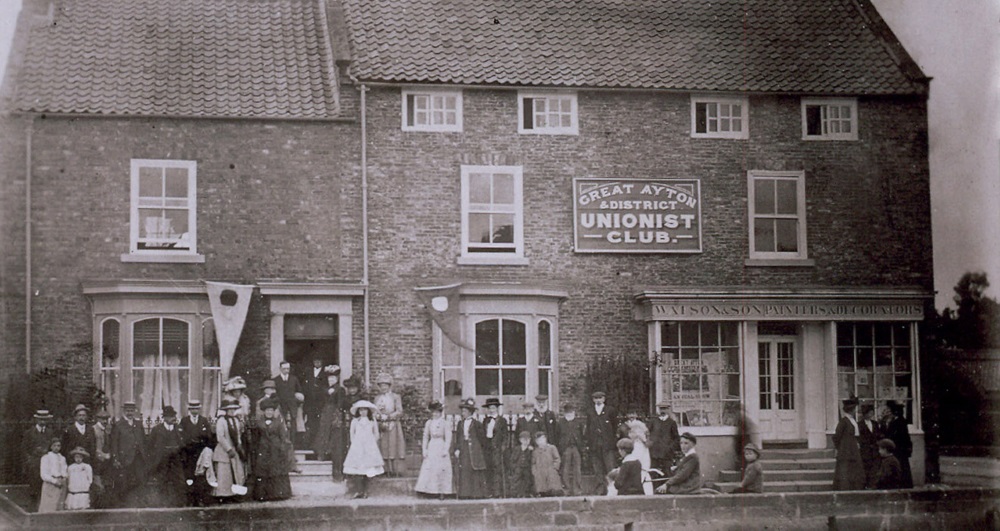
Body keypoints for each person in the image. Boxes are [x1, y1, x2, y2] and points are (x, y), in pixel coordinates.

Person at [251, 398, 293, 501]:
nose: (269, 412)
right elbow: (255, 438)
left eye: (271, 410)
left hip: (276, 450)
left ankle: (277, 494)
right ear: (264, 411)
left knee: (276, 470)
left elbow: (283, 437)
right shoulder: (259, 422)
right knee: (263, 471)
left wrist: (282, 449)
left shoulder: (279, 422)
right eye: (267, 410)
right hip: (263, 450)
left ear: (274, 412)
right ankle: (262, 495)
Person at [342, 399, 384, 499]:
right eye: (361, 410)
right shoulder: (355, 421)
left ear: (368, 411)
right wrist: (355, 444)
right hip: (358, 446)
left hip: (369, 446)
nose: (363, 412)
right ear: (358, 411)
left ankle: (365, 491)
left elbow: (376, 434)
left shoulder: (372, 421)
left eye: (365, 410)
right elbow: (352, 434)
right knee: (358, 468)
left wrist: (371, 443)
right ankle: (359, 491)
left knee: (369, 469)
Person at [109, 401, 146, 507]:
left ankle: (140, 502)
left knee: (141, 479)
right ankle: (124, 503)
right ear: (124, 411)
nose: (130, 413)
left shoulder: (138, 424)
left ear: (135, 411)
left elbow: (143, 440)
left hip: (138, 457)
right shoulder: (118, 425)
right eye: (128, 411)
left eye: (132, 411)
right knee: (124, 480)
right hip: (124, 457)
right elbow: (114, 443)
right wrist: (116, 458)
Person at [178, 399, 215, 507]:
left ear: (199, 410)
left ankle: (200, 499)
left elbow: (209, 436)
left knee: (200, 476)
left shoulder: (204, 421)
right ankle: (190, 500)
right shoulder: (184, 421)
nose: (194, 411)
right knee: (190, 476)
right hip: (189, 453)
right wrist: (188, 445)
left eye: (196, 409)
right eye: (192, 409)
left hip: (200, 452)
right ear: (189, 410)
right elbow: (181, 437)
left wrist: (203, 444)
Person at [414, 401, 454, 498]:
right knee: (429, 468)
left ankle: (442, 491)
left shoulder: (445, 423)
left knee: (440, 468)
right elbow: (425, 437)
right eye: (433, 412)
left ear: (440, 413)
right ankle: (428, 490)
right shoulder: (429, 423)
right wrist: (424, 449)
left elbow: (448, 437)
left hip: (440, 445)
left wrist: (445, 449)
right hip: (432, 446)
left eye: (437, 412)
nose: (435, 414)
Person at [148, 406, 186, 506]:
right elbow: (150, 446)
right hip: (162, 461)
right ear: (164, 418)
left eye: (173, 416)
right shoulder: (157, 430)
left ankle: (179, 504)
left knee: (179, 481)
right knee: (162, 482)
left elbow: (183, 444)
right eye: (170, 416)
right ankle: (163, 505)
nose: (173, 418)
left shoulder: (178, 429)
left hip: (176, 460)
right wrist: (155, 459)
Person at [452, 398, 487, 499]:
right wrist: (457, 449)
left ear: (470, 412)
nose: (463, 413)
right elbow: (458, 437)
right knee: (465, 470)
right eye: (462, 411)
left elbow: (482, 438)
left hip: (475, 449)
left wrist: (480, 449)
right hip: (464, 448)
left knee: (474, 469)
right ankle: (464, 493)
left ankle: (476, 494)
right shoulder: (460, 423)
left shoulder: (477, 424)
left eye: (465, 411)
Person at [213, 397, 248, 500]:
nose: (232, 411)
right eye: (229, 409)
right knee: (225, 474)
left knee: (237, 472)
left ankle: (235, 495)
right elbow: (220, 437)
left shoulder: (236, 420)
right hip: (224, 450)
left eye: (233, 409)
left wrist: (239, 445)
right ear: (226, 410)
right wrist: (228, 449)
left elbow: (238, 435)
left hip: (235, 449)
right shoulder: (221, 421)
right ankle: (223, 495)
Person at [315, 366, 347, 478]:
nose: (331, 380)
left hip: (334, 412)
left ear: (337, 379)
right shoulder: (325, 389)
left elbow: (340, 403)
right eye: (329, 379)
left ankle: (331, 456)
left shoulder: (340, 389)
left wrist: (337, 414)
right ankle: (322, 453)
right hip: (325, 412)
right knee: (324, 431)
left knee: (333, 433)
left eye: (333, 379)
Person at [585, 391, 618, 494]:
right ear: (593, 400)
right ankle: (601, 488)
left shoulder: (610, 410)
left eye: (600, 398)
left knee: (610, 466)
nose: (598, 400)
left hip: (607, 444)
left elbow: (614, 426)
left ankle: (612, 488)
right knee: (597, 468)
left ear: (604, 399)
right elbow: (589, 427)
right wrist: (589, 443)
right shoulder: (590, 411)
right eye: (596, 398)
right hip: (595, 444)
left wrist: (611, 440)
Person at [373, 373, 406, 477]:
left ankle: (395, 469)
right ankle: (384, 469)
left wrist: (389, 416)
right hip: (381, 425)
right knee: (383, 446)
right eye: (381, 385)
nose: (383, 387)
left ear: (389, 386)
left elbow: (399, 411)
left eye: (385, 385)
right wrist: (379, 416)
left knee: (393, 445)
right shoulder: (377, 398)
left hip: (393, 424)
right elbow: (374, 411)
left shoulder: (395, 397)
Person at [23, 409, 54, 511]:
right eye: (40, 419)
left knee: (45, 487)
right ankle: (33, 510)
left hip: (47, 464)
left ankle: (44, 509)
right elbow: (24, 449)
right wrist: (30, 461)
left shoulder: (50, 432)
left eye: (44, 419)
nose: (42, 421)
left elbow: (53, 448)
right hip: (34, 465)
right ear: (36, 420)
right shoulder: (29, 433)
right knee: (34, 488)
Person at [832, 397, 865, 491]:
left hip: (854, 449)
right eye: (854, 409)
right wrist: (841, 447)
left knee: (854, 469)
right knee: (845, 470)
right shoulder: (844, 422)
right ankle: (845, 488)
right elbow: (836, 437)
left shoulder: (852, 420)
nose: (855, 411)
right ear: (851, 409)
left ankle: (855, 487)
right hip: (846, 450)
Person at [555, 403, 585, 496]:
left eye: (571, 412)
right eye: (568, 412)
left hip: (576, 447)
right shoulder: (560, 423)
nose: (570, 414)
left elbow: (581, 435)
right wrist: (560, 447)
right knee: (565, 469)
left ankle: (577, 490)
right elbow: (557, 436)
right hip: (565, 448)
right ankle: (566, 489)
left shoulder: (578, 422)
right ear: (564, 413)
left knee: (577, 469)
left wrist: (581, 447)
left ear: (574, 412)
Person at [481, 397, 508, 498]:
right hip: (488, 448)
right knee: (488, 469)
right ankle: (489, 492)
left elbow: (505, 436)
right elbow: (483, 435)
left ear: (497, 408)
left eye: (493, 408)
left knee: (497, 470)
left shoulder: (502, 420)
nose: (491, 410)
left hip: (497, 448)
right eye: (490, 408)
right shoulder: (486, 420)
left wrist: (503, 447)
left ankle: (497, 492)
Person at [273, 361, 304, 446]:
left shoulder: (294, 379)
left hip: (292, 407)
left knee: (293, 426)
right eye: (284, 369)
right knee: (282, 425)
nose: (286, 370)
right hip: (281, 406)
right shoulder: (276, 380)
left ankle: (292, 445)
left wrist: (297, 401)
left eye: (288, 369)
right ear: (280, 369)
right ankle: (283, 445)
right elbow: (274, 395)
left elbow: (299, 391)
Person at [883, 401, 914, 488]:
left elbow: (894, 435)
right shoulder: (898, 421)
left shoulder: (898, 422)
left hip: (899, 449)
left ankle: (902, 484)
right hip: (900, 449)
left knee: (900, 467)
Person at [302, 356, 328, 449]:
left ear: (322, 362)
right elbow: (304, 385)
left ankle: (317, 445)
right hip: (309, 403)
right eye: (315, 361)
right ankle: (308, 444)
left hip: (320, 403)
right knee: (309, 423)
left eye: (319, 361)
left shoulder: (325, 373)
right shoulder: (308, 372)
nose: (317, 363)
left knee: (319, 423)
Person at [649, 402, 681, 477]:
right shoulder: (653, 421)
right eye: (661, 409)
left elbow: (676, 438)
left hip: (666, 454)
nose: (662, 411)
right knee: (653, 473)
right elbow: (647, 434)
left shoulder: (672, 423)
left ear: (668, 409)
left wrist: (670, 448)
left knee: (667, 473)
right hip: (654, 453)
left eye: (664, 409)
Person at [38, 438, 67, 513]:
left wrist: (64, 478)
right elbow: (43, 474)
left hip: (61, 484)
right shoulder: (46, 457)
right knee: (48, 507)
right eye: (54, 445)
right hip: (50, 484)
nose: (56, 448)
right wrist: (54, 481)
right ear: (51, 446)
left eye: (58, 446)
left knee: (59, 506)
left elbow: (64, 470)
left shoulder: (62, 458)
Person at [91, 409, 112, 508]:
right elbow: (94, 447)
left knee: (106, 484)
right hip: (97, 461)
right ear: (97, 419)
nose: (104, 421)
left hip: (106, 462)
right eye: (102, 419)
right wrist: (103, 455)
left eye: (106, 419)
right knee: (98, 485)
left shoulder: (107, 430)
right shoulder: (94, 430)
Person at [531, 432, 563, 497]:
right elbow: (533, 463)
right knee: (542, 489)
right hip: (540, 473)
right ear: (536, 442)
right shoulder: (535, 451)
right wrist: (535, 471)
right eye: (539, 440)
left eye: (542, 439)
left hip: (551, 472)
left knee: (553, 489)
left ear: (545, 439)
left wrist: (554, 468)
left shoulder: (552, 448)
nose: (541, 441)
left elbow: (557, 459)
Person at [858, 403, 881, 489]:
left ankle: (872, 484)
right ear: (865, 413)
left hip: (875, 450)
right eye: (869, 412)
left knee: (874, 468)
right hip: (865, 450)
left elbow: (878, 435)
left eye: (872, 412)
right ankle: (865, 485)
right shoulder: (859, 424)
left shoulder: (875, 424)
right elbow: (860, 438)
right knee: (865, 467)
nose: (871, 414)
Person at [505, 431, 534, 498]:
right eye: (524, 439)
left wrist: (531, 450)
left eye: (528, 439)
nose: (526, 441)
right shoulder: (517, 449)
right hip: (518, 467)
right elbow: (512, 459)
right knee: (516, 480)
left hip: (527, 468)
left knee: (527, 480)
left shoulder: (530, 449)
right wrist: (514, 466)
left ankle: (526, 493)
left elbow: (532, 459)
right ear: (520, 440)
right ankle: (515, 494)